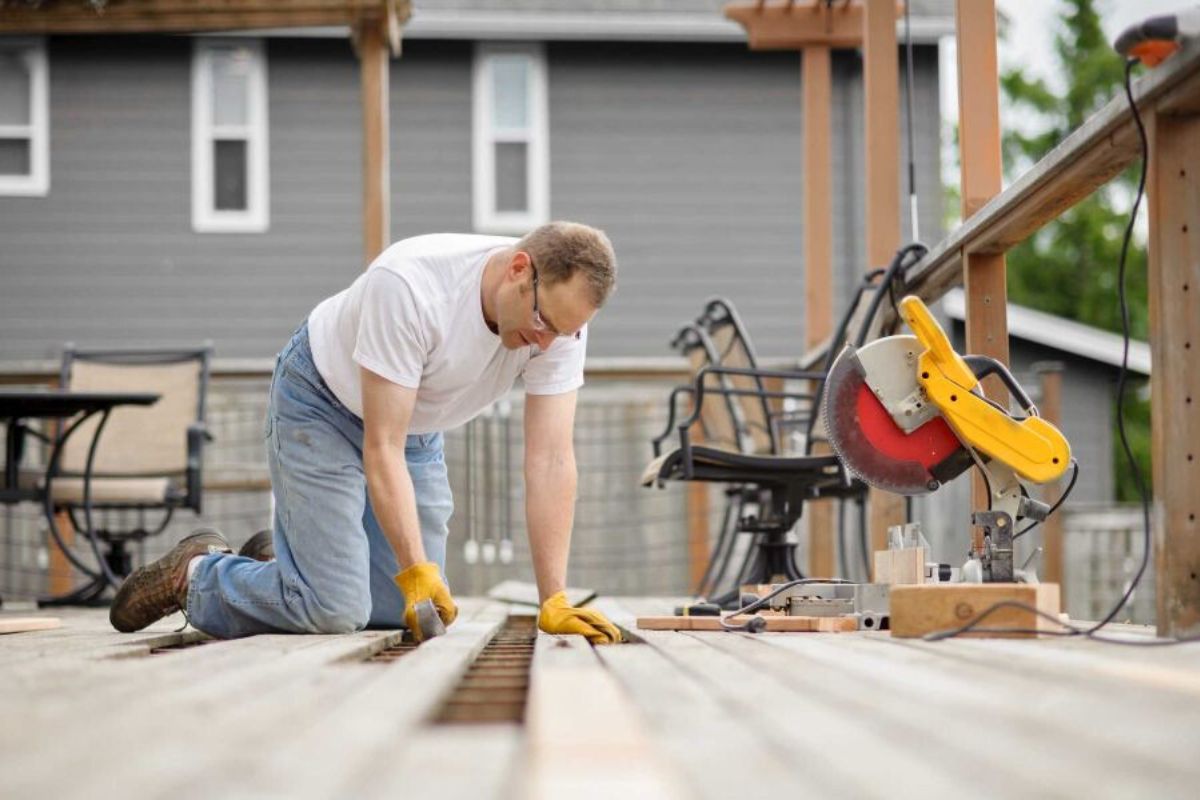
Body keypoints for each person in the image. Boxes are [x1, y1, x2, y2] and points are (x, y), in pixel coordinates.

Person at [109, 222, 622, 645]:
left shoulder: (559, 325)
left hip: (415, 427)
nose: (547, 343)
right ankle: (197, 575)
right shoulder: (411, 287)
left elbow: (551, 459)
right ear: (518, 270)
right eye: (543, 323)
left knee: (400, 613)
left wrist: (552, 597)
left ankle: (288, 566)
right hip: (321, 403)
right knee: (333, 609)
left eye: (565, 331)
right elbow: (382, 447)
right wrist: (416, 568)